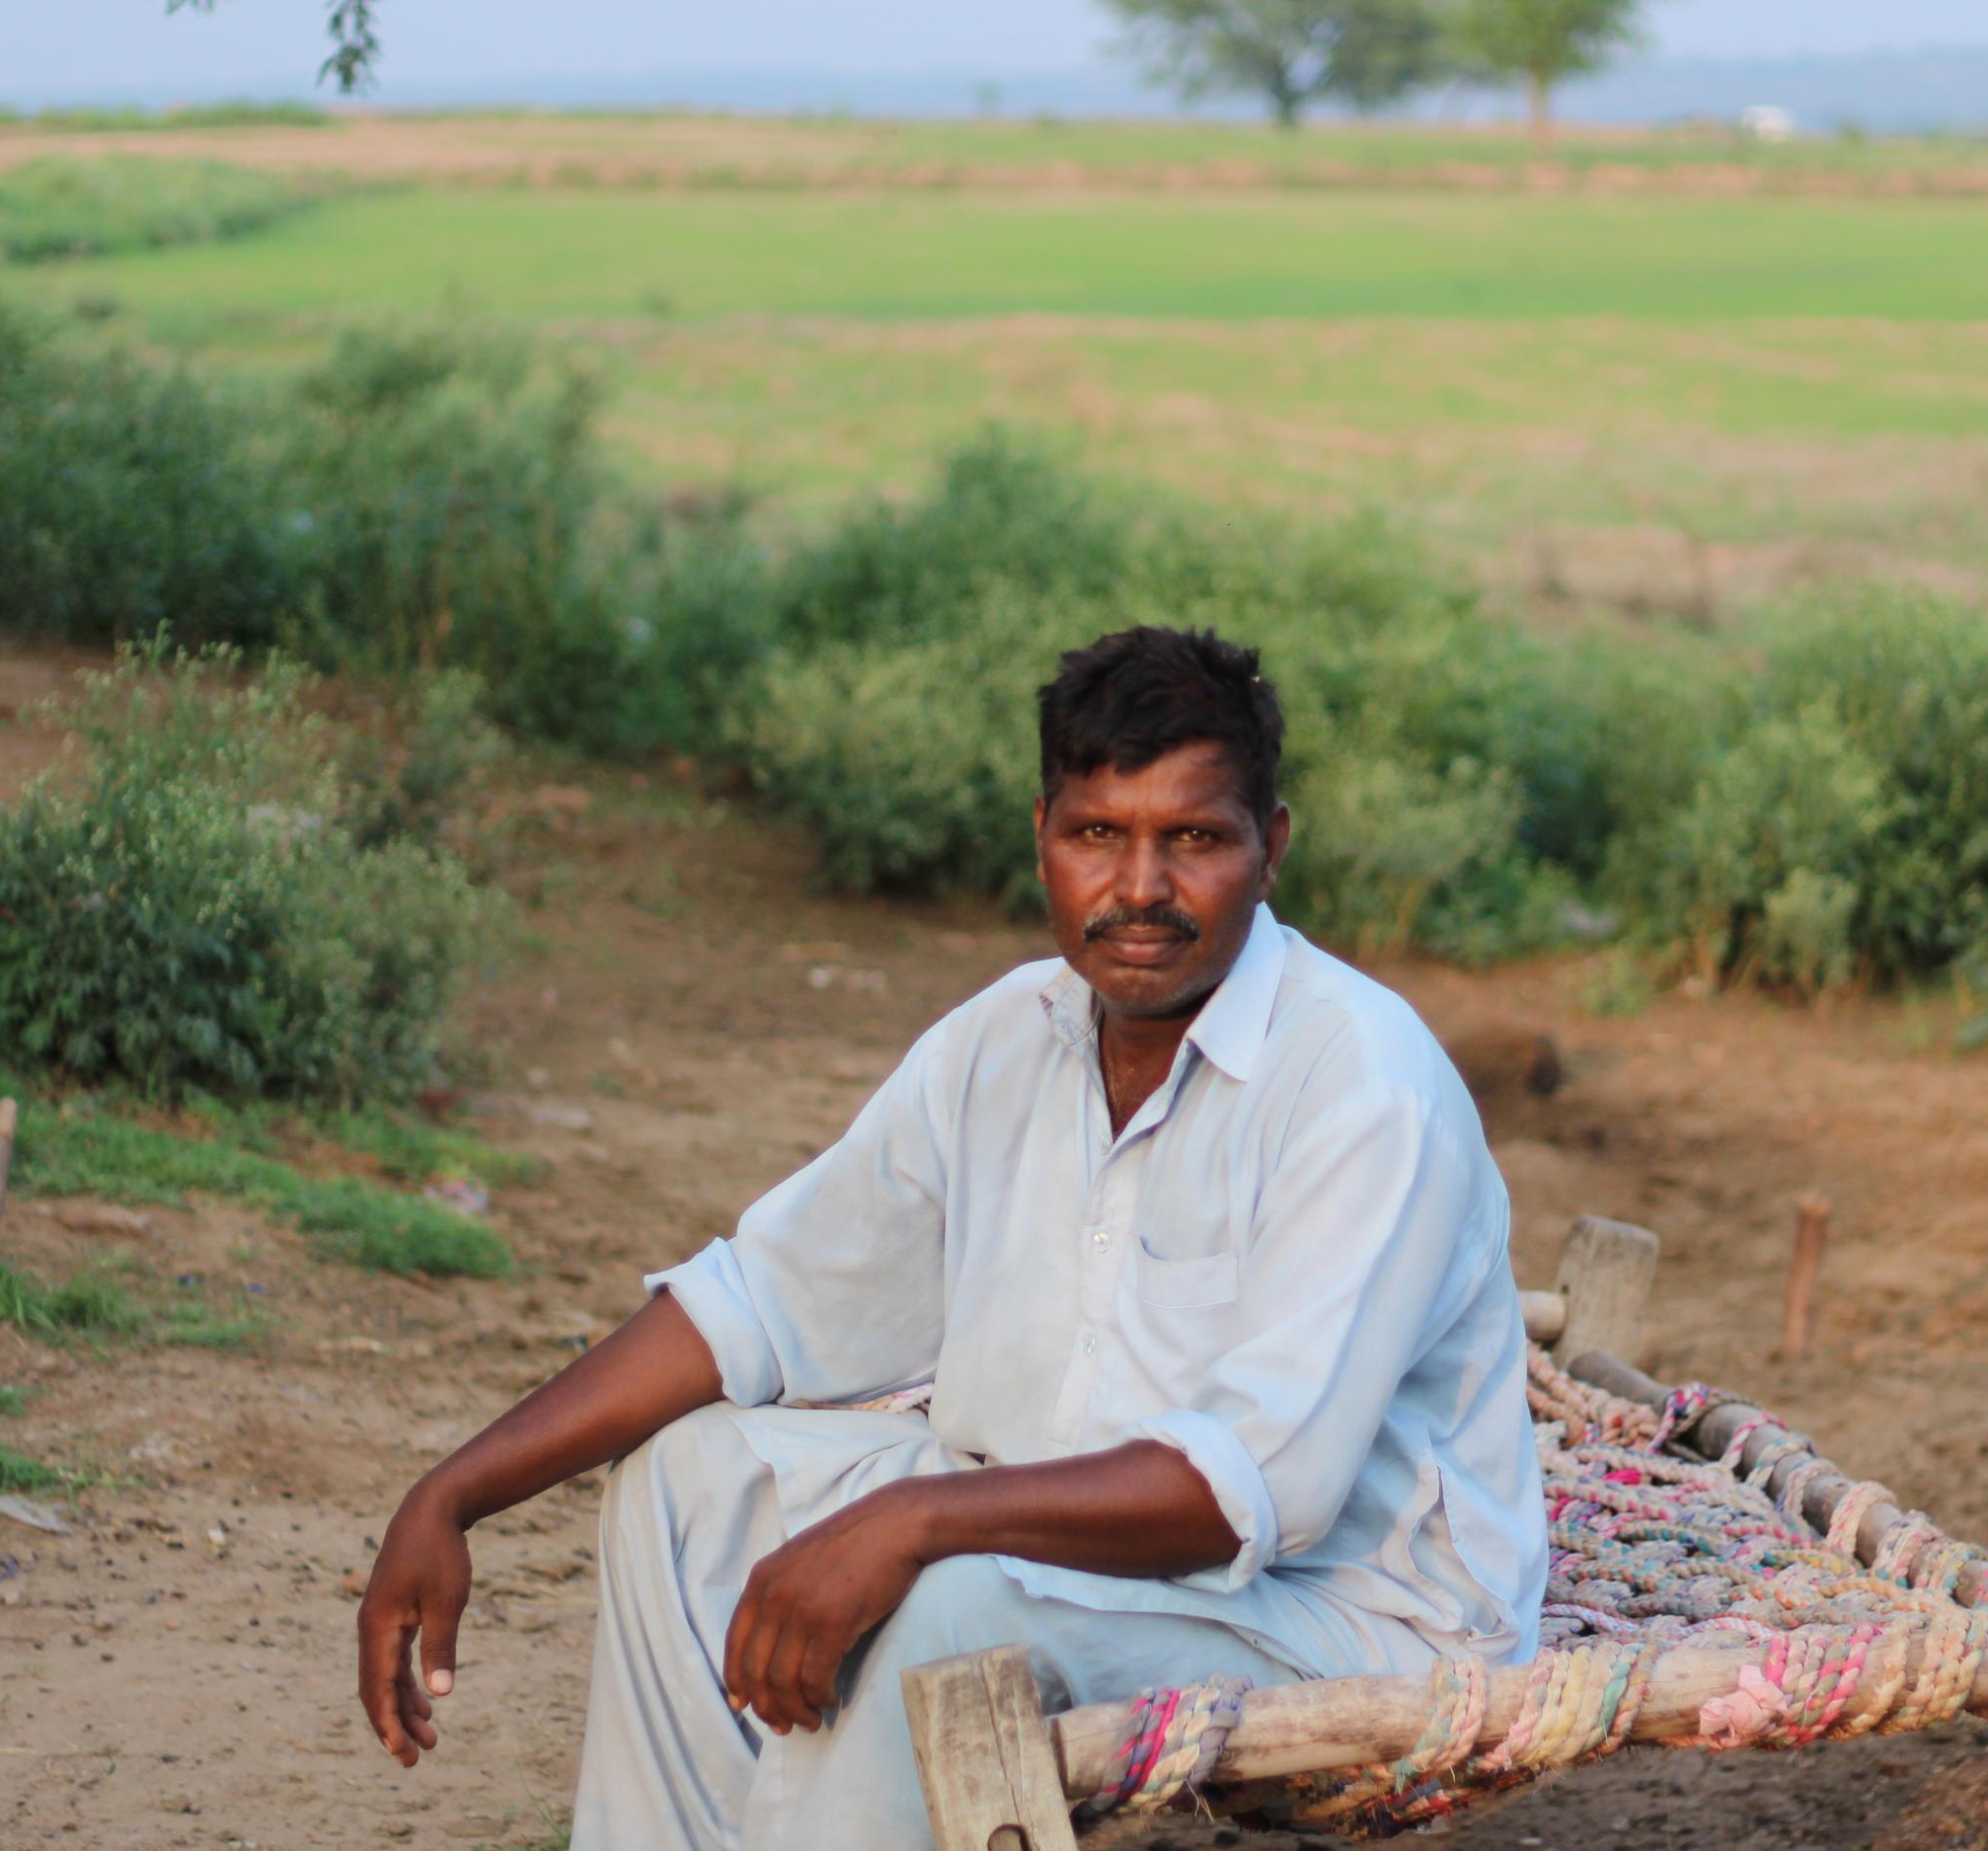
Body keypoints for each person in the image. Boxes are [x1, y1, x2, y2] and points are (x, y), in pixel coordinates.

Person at [355, 625, 1545, 1851]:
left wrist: (912, 1522)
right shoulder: (1000, 1042)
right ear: (1044, 835)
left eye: (1192, 838)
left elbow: (1248, 1496)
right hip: (1061, 1546)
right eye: (1098, 835)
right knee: (691, 1479)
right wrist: (451, 1494)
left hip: (1340, 1616)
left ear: (1269, 849)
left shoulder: (1361, 1084)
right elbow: (758, 1305)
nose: (1139, 888)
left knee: (948, 1607)